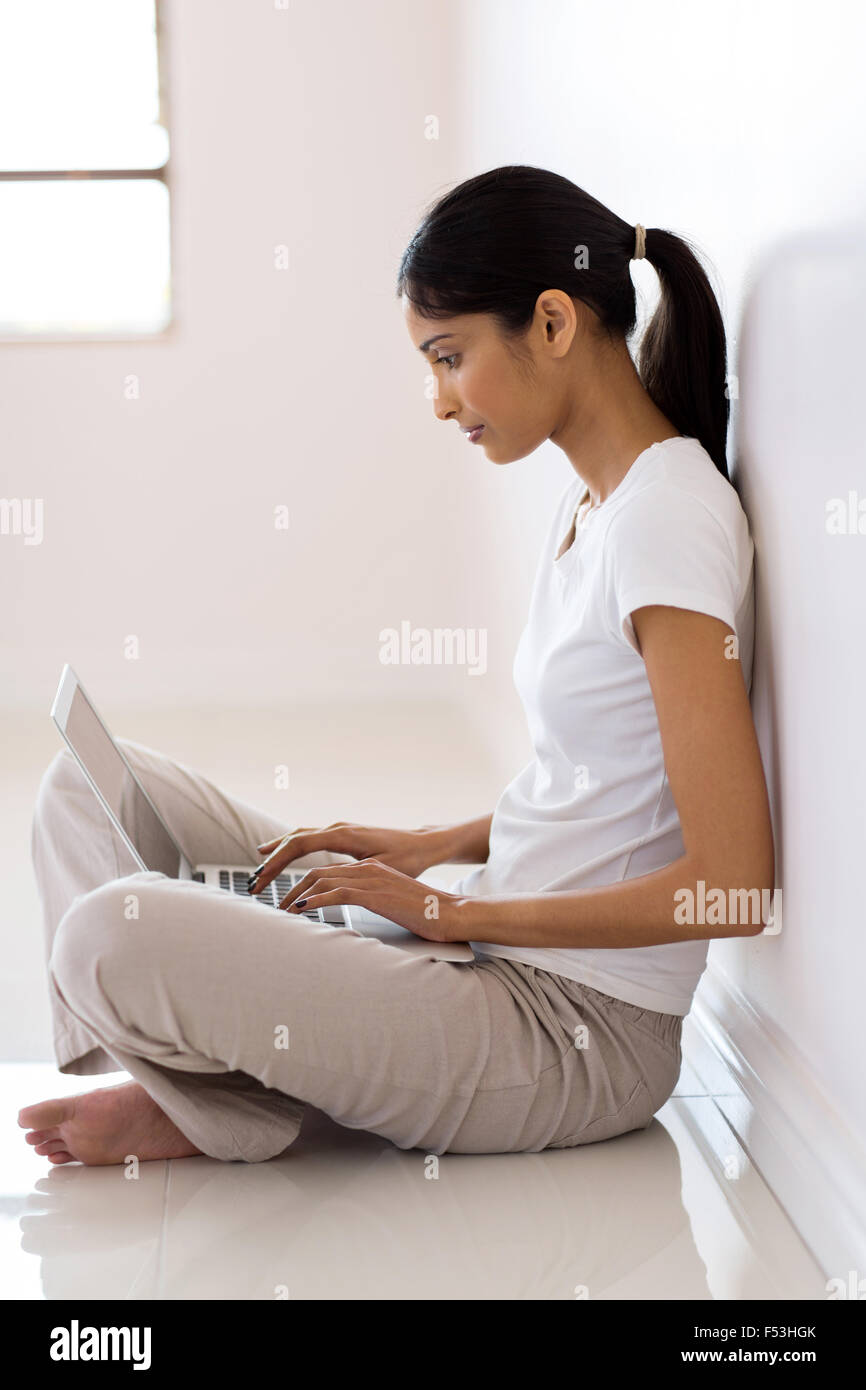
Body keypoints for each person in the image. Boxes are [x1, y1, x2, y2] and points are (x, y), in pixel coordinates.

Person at [20, 164, 774, 1167]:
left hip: (567, 1033)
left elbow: (732, 883)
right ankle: (193, 1080)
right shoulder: (600, 503)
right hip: (486, 952)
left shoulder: (666, 523)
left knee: (107, 937)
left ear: (551, 323)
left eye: (448, 356)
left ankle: (219, 1108)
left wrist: (455, 912)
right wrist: (431, 846)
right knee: (82, 793)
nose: (436, 399)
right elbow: (603, 788)